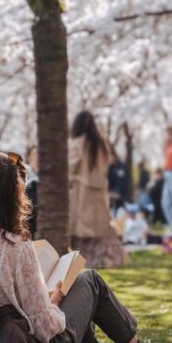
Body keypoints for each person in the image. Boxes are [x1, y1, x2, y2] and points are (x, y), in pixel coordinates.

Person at [0, 152, 172, 343]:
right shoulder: (16, 246)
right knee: (90, 280)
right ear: (13, 194)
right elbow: (46, 328)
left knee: (75, 285)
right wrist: (56, 298)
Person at [69, 111, 126, 268]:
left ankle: (81, 259)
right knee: (101, 228)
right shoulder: (102, 144)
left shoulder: (77, 143)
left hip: (81, 192)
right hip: (99, 191)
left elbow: (70, 167)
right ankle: (107, 258)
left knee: (82, 229)